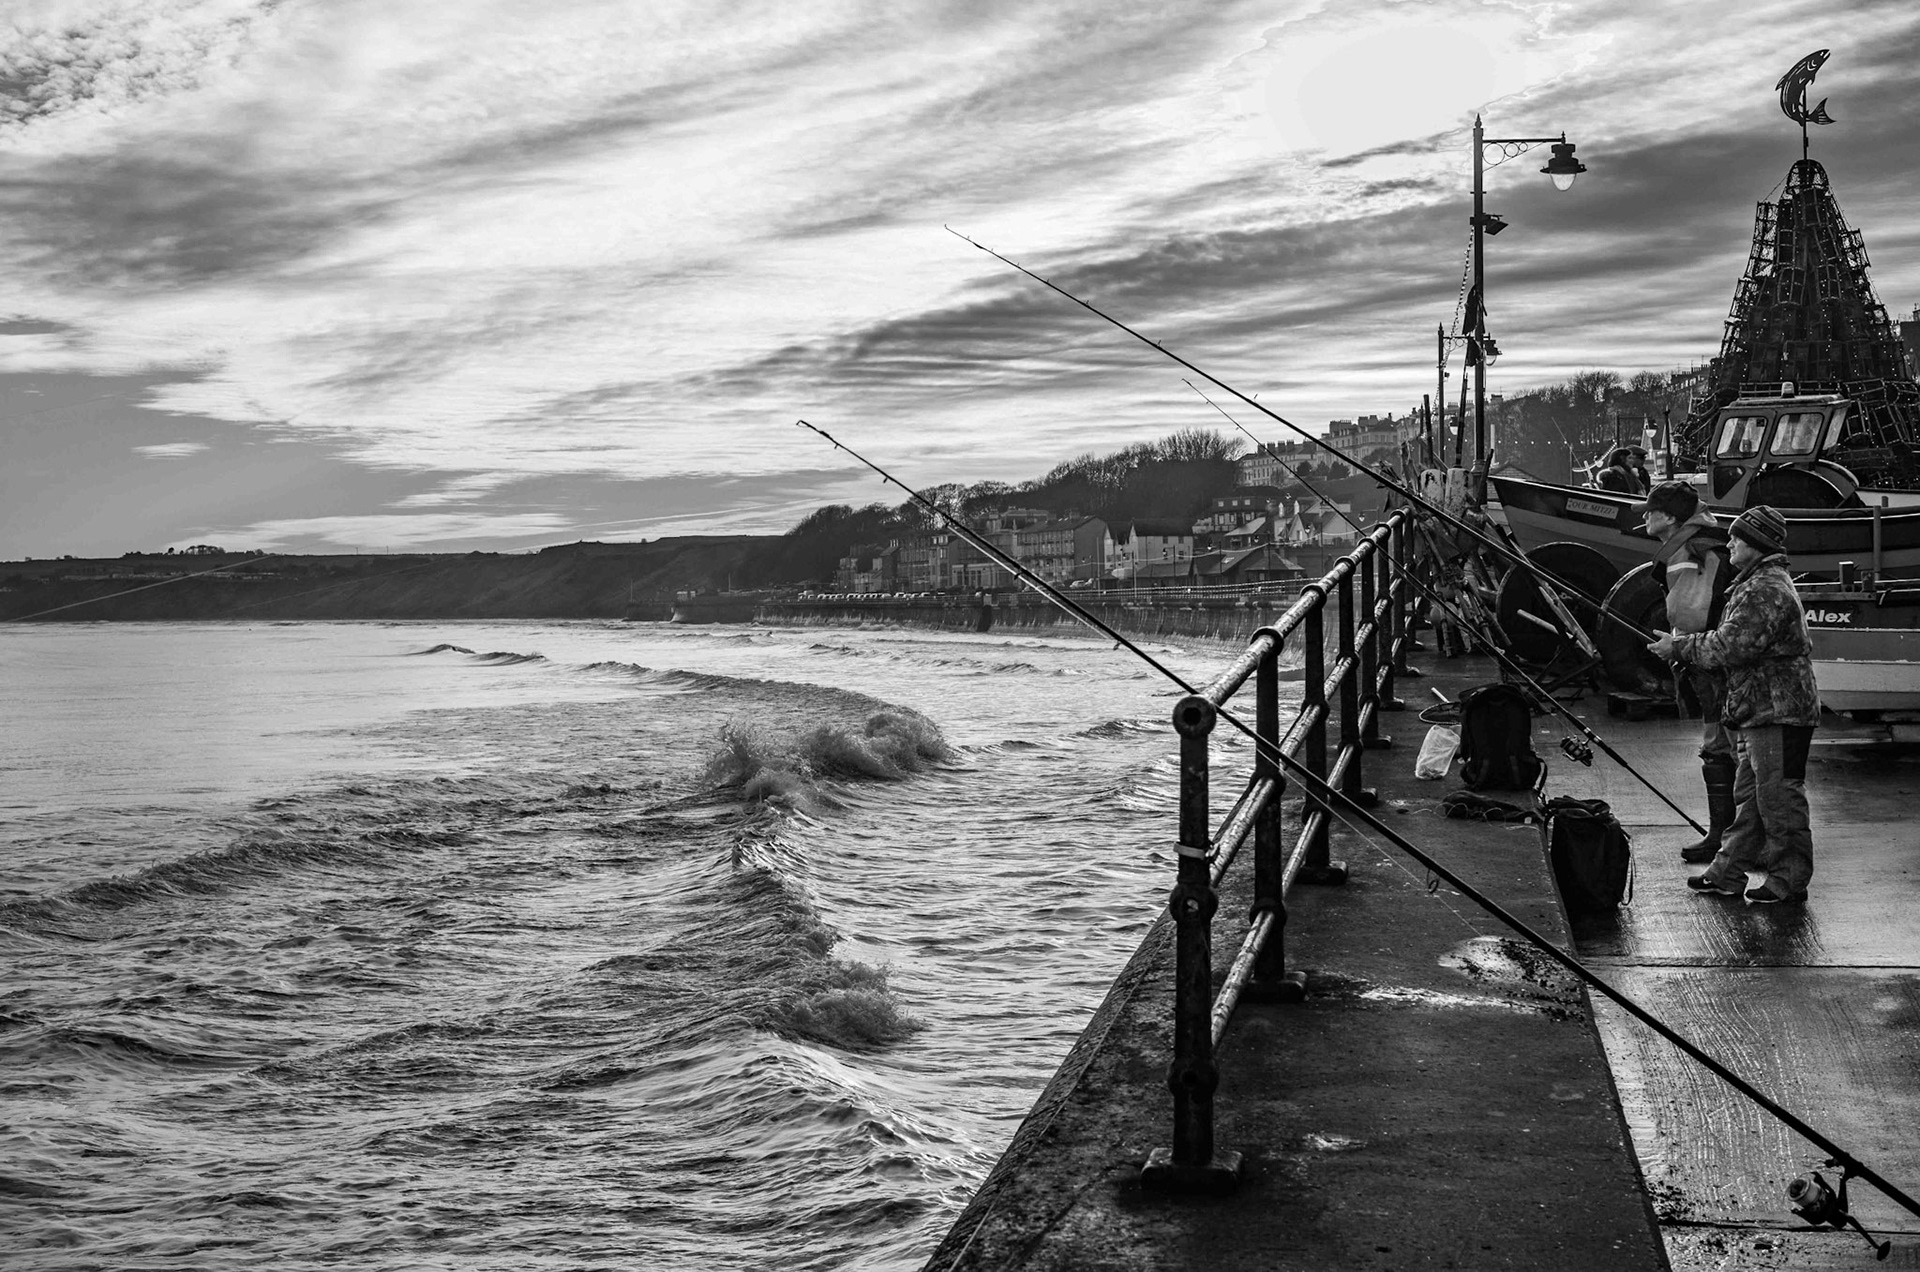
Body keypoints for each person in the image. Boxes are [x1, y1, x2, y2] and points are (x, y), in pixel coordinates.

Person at [1648, 505, 1820, 904]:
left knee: (1779, 800)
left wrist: (1679, 646)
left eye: (1738, 538)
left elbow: (1731, 645)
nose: (1730, 543)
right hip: (1759, 709)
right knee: (1752, 798)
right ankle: (1727, 873)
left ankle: (1788, 880)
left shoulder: (1764, 589)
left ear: (1757, 545)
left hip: (1779, 711)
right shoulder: (1756, 582)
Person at [1640, 481, 1734, 863]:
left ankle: (1729, 838)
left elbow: (1695, 616)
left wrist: (1677, 646)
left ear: (1671, 517)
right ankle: (1729, 836)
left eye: (1650, 510)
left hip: (1715, 667)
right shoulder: (1692, 545)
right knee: (1722, 746)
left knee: (1722, 746)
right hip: (1704, 661)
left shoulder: (1698, 550)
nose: (1645, 517)